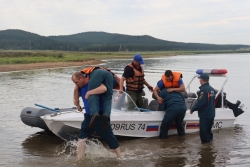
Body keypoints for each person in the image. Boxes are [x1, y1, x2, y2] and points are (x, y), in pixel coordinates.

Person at [71, 72, 121, 160]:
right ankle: (79, 159)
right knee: (81, 138)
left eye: (76, 82)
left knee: (110, 138)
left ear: (81, 78)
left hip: (100, 116)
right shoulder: (80, 86)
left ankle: (120, 158)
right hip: (88, 116)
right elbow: (75, 94)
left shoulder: (93, 82)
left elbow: (104, 88)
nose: (76, 85)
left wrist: (89, 92)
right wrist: (77, 104)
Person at [190, 73, 215, 143]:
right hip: (211, 114)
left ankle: (205, 150)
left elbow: (201, 102)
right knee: (208, 131)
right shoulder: (212, 89)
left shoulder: (203, 90)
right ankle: (210, 147)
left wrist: (193, 109)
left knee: (204, 132)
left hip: (205, 114)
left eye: (199, 79)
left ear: (201, 80)